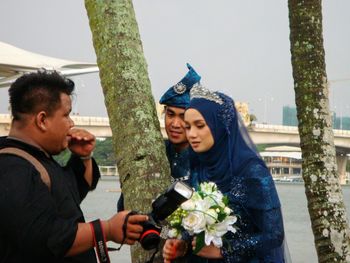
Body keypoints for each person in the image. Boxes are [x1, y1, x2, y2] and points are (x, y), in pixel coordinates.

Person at [0, 70, 148, 262]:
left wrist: (84, 157)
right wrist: (107, 229)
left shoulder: (36, 158)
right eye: (66, 115)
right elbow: (45, 238)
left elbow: (70, 194)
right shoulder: (12, 168)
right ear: (42, 120)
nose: (71, 123)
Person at [163, 85, 286, 262]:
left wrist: (225, 251)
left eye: (200, 126)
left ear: (220, 127)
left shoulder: (251, 171)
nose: (192, 134)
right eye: (188, 127)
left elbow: (274, 234)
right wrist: (181, 243)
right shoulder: (199, 165)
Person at [117, 63, 201, 212]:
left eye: (183, 117)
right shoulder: (152, 153)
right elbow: (125, 204)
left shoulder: (207, 159)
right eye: (170, 114)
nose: (175, 124)